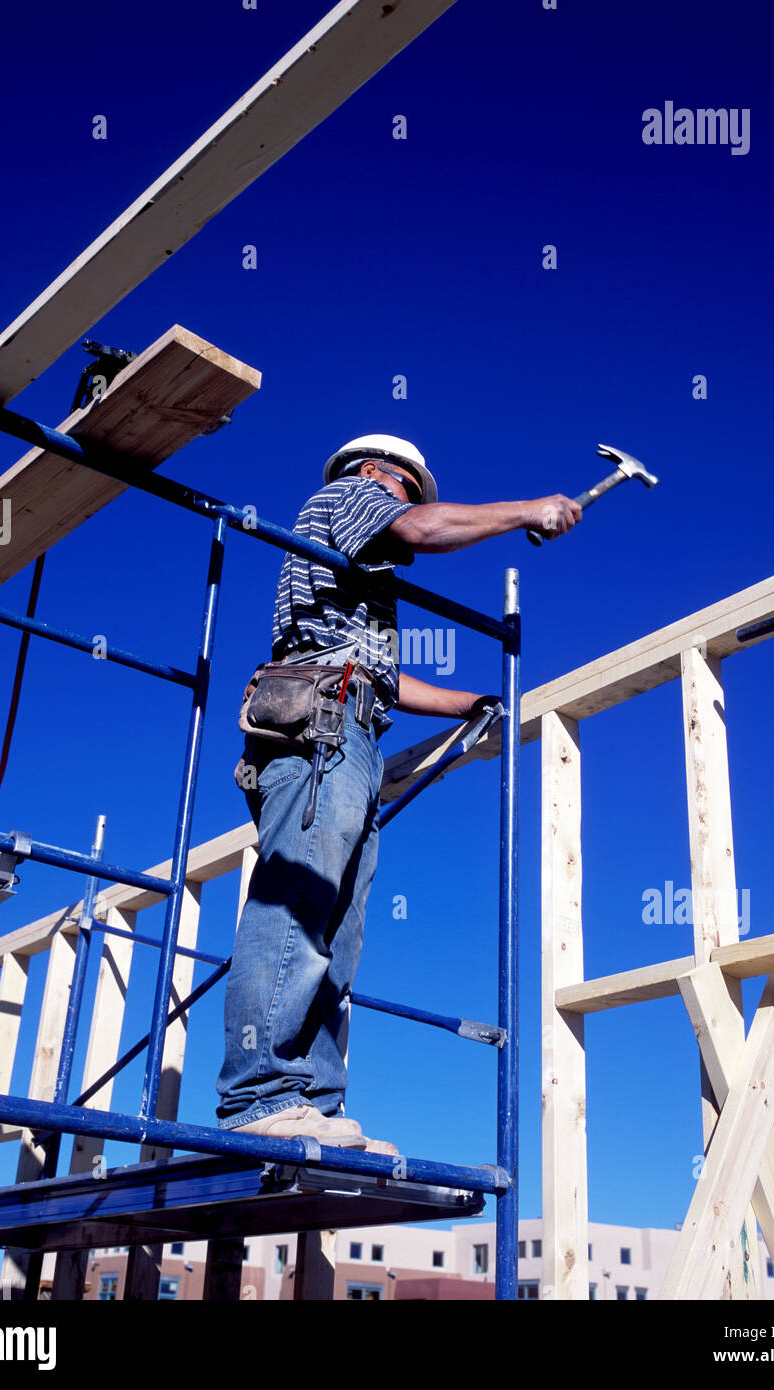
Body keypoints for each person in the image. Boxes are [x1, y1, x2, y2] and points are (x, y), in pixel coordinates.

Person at [215, 435, 581, 1149]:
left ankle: (311, 1104)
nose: (410, 504)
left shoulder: (355, 586)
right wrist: (526, 510)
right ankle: (260, 1093)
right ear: (388, 476)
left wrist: (470, 703)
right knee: (297, 906)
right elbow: (422, 529)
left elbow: (382, 676)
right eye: (411, 491)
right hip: (322, 725)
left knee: (335, 929)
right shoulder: (351, 496)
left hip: (352, 724)